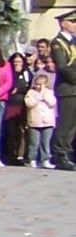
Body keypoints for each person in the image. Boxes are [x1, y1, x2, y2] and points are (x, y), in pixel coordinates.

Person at [50, 9, 76, 169]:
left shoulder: (73, 42)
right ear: (63, 24)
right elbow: (62, 67)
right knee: (66, 123)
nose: (75, 24)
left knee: (73, 124)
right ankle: (60, 155)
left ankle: (68, 151)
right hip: (67, 89)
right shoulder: (58, 43)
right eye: (72, 21)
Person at [26, 71, 58, 167]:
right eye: (37, 84)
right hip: (34, 122)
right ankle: (32, 159)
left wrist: (44, 94)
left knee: (45, 143)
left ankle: (45, 160)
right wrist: (38, 97)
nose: (39, 87)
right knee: (34, 143)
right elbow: (29, 104)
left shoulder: (49, 93)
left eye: (42, 84)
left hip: (47, 122)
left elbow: (52, 103)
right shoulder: (31, 93)